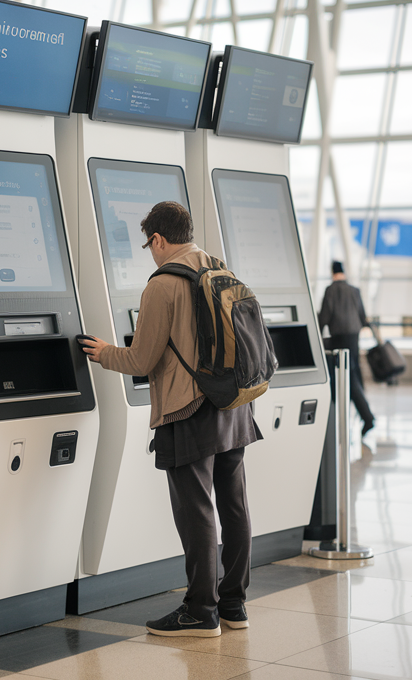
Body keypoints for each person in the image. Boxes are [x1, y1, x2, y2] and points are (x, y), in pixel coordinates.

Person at [81, 201, 260, 639]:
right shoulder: (219, 268)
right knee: (233, 504)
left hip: (189, 410)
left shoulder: (162, 284)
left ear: (158, 239)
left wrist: (102, 353)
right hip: (234, 404)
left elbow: (141, 358)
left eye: (149, 244)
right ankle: (233, 603)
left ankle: (201, 610)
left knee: (196, 510)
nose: (151, 252)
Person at [317, 260, 376, 436]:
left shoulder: (330, 290)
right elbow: (362, 316)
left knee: (347, 378)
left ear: (332, 272)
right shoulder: (354, 290)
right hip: (354, 337)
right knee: (353, 374)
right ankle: (361, 414)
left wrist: (318, 335)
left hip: (339, 338)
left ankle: (366, 417)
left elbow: (325, 316)